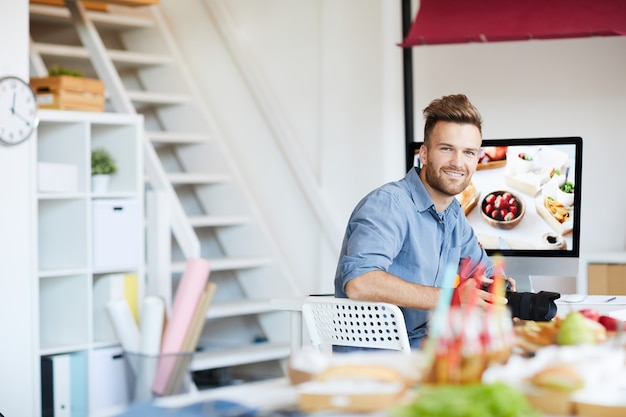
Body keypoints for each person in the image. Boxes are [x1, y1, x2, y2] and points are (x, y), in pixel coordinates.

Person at [334, 93, 515, 349]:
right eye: (446, 149)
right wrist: (452, 298)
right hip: (377, 354)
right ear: (425, 154)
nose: (458, 163)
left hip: (427, 350)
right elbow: (360, 283)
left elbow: (484, 271)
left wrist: (499, 284)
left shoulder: (453, 215)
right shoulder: (388, 204)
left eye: (469, 153)